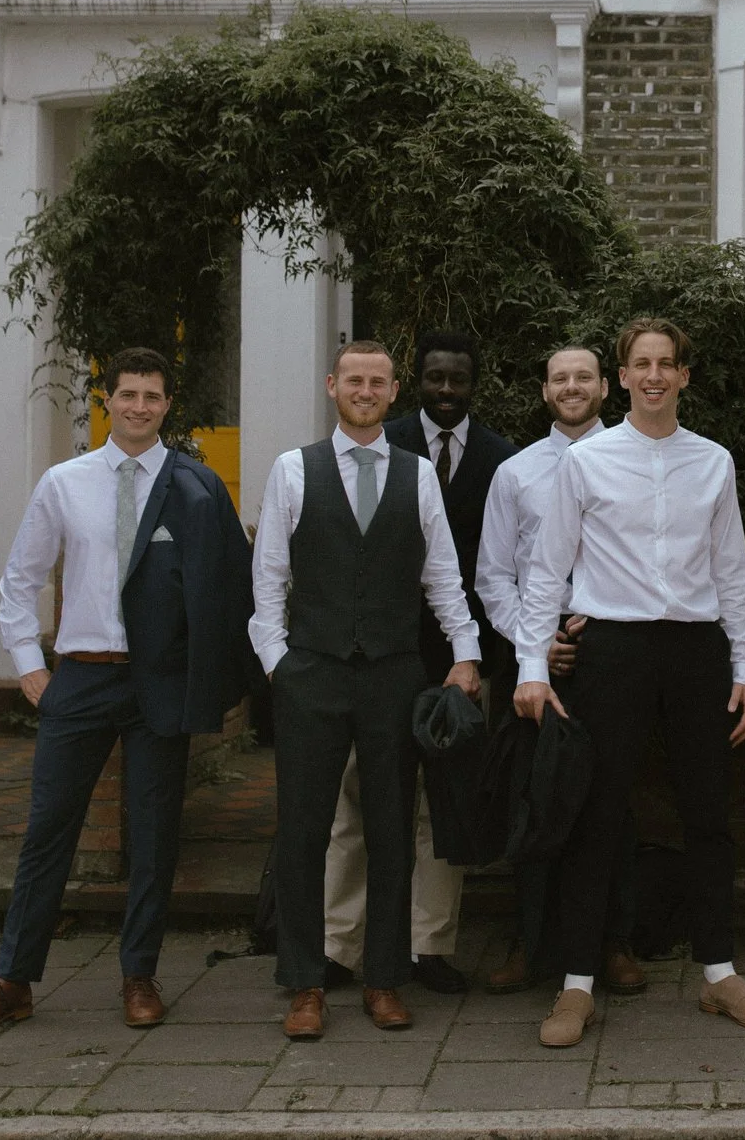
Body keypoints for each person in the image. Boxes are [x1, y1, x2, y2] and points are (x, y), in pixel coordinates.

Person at [0, 348, 253, 1034]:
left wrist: (216, 678)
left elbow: (231, 589)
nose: (140, 406)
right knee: (47, 831)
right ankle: (13, 980)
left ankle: (139, 974)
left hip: (160, 680)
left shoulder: (197, 487)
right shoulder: (65, 482)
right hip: (82, 675)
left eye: (153, 395)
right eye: (128, 394)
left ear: (168, 404)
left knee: (155, 835)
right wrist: (30, 665)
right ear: (106, 399)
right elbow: (22, 578)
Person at [512, 318, 745, 1048]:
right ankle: (576, 985)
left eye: (668, 363)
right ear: (624, 377)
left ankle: (720, 973)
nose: (656, 375)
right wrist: (532, 666)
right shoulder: (586, 461)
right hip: (612, 648)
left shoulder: (713, 462)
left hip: (696, 650)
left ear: (684, 376)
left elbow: (732, 570)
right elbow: (547, 570)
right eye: (643, 363)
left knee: (708, 813)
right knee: (595, 815)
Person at [251, 340, 483, 1039]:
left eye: (377, 381)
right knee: (303, 832)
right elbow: (269, 578)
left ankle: (384, 978)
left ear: (392, 391)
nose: (365, 390)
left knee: (390, 830)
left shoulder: (417, 475)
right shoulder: (293, 469)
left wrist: (465, 654)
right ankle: (305, 982)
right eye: (354, 379)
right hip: (312, 673)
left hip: (392, 673)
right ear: (333, 385)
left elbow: (443, 577)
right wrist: (278, 664)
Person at [314, 331, 516, 996]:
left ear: (474, 384)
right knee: (353, 801)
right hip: (378, 654)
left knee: (443, 807)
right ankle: (338, 945)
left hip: (461, 664)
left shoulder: (501, 460)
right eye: (435, 378)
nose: (447, 390)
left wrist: (472, 656)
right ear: (415, 383)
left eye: (459, 379)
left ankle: (430, 944)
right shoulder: (383, 440)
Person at [473, 343, 646, 996]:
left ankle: (612, 941)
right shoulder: (515, 473)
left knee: (613, 800)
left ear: (605, 387)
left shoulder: (636, 462)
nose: (572, 387)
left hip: (613, 653)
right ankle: (530, 940)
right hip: (536, 661)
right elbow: (493, 576)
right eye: (559, 378)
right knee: (535, 800)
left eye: (583, 377)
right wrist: (535, 641)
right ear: (545, 391)